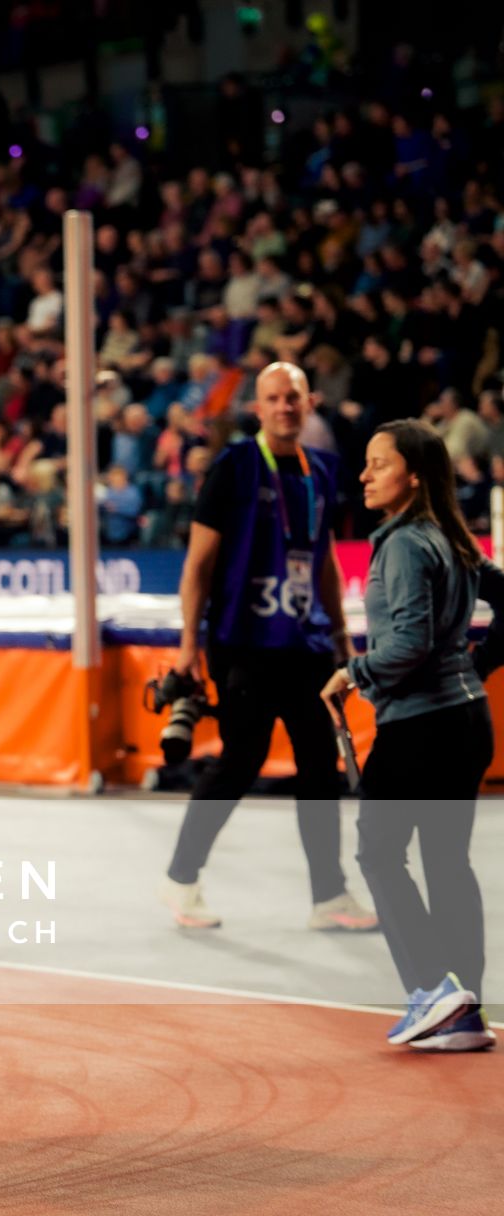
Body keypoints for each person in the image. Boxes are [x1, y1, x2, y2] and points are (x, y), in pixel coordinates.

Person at [159, 363, 378, 932]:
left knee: (318, 765)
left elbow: (325, 559)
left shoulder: (323, 470)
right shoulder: (233, 467)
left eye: (294, 398)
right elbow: (197, 566)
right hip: (243, 644)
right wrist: (188, 646)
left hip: (305, 645)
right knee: (240, 761)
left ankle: (328, 897)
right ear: (258, 407)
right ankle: (182, 879)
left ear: (310, 404)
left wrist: (338, 635)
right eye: (274, 398)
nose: (285, 407)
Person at [320, 421, 504, 1051]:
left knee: (377, 852)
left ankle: (433, 991)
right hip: (465, 719)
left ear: (415, 475)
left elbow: (408, 644)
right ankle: (465, 1011)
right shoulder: (453, 538)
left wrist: (352, 672)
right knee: (448, 863)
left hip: (419, 728)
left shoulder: (402, 545)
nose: (364, 475)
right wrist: (473, 670)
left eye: (379, 464)